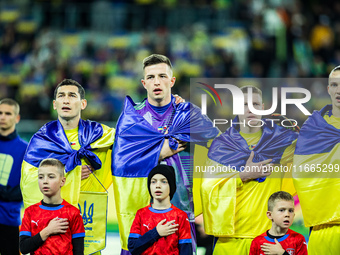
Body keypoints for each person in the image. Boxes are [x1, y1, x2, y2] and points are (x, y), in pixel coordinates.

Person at [112, 54, 219, 254]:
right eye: (151, 77)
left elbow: (219, 146)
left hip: (181, 210)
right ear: (144, 83)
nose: (157, 82)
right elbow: (121, 164)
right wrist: (160, 153)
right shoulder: (132, 118)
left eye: (162, 76)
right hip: (142, 214)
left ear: (172, 81)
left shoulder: (188, 114)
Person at [21, 79, 115, 254]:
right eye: (61, 96)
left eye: (72, 96)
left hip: (89, 228)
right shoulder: (42, 140)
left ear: (83, 103)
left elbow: (130, 146)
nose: (66, 100)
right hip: (52, 231)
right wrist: (71, 174)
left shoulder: (100, 135)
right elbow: (28, 182)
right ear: (55, 104)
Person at [201, 86, 298, 254]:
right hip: (230, 241)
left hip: (269, 240)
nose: (250, 109)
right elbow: (208, 188)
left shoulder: (283, 142)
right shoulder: (222, 146)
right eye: (245, 104)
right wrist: (243, 175)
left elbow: (317, 153)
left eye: (255, 104)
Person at [293, 66, 340, 254]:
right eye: (334, 85)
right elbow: (301, 174)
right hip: (323, 227)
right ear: (328, 89)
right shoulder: (313, 129)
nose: (339, 90)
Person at [20, 158, 85, 254]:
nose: (45, 181)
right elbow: (23, 248)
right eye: (41, 177)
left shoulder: (73, 213)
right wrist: (47, 231)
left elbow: (78, 251)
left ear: (62, 181)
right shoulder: (30, 212)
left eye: (51, 177)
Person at [128, 164, 192, 254]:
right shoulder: (141, 214)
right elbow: (133, 247)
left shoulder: (180, 216)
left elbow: (186, 251)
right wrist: (156, 233)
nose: (158, 185)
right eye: (153, 182)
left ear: (171, 186)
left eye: (164, 181)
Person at [0, 98, 28, 255]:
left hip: (9, 221)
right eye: (0, 113)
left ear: (17, 118)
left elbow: (25, 190)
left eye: (8, 113)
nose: (3, 117)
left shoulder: (25, 149)